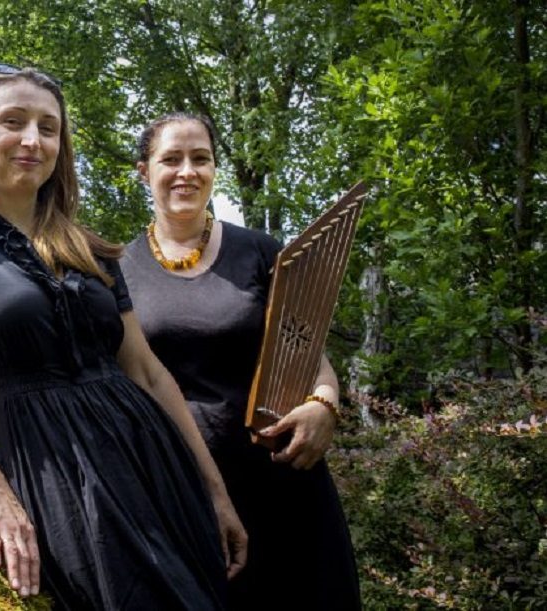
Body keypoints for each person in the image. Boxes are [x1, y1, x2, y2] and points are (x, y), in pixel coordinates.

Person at [0, 68, 247, 610]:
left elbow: (146, 372)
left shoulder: (87, 249)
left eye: (48, 128)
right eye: (14, 122)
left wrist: (214, 491)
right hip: (58, 477)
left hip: (156, 468)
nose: (33, 140)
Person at [120, 112, 361, 610]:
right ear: (145, 171)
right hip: (182, 493)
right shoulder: (115, 270)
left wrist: (325, 404)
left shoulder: (262, 253)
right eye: (171, 159)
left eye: (201, 159)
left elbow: (310, 353)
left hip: (284, 484)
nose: (187, 171)